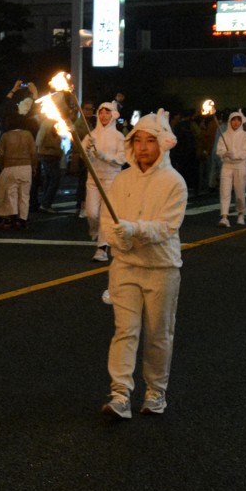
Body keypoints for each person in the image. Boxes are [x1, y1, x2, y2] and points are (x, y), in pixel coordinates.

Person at [99, 110, 187, 420]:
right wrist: (119, 239)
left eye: (150, 141)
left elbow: (167, 226)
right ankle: (120, 393)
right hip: (125, 267)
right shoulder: (122, 180)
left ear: (162, 144)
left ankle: (155, 392)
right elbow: (109, 220)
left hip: (162, 269)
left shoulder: (174, 182)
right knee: (125, 331)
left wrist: (134, 230)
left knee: (158, 333)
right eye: (138, 141)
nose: (144, 147)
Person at [83, 102, 126, 261]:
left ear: (113, 115)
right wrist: (87, 151)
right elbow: (83, 156)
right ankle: (95, 231)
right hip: (93, 179)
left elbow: (122, 159)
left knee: (105, 215)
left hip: (111, 179)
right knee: (91, 213)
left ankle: (101, 249)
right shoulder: (90, 135)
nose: (103, 116)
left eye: (107, 113)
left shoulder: (119, 136)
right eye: (101, 113)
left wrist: (105, 157)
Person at [0, 114, 36, 230]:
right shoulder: (28, 134)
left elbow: (1, 154)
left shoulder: (6, 136)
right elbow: (33, 152)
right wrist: (34, 166)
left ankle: (13, 219)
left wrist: (2, 166)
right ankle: (23, 220)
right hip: (26, 167)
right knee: (24, 195)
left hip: (10, 166)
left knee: (11, 194)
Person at [217, 110, 246, 227]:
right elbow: (219, 150)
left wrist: (235, 155)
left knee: (239, 192)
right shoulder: (224, 135)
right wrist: (225, 153)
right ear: (230, 121)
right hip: (227, 166)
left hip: (240, 166)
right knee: (224, 191)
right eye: (234, 120)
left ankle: (241, 213)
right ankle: (224, 217)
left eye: (238, 120)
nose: (236, 123)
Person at [33, 115, 64, 213]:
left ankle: (44, 202)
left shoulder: (49, 122)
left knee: (49, 179)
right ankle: (46, 204)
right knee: (55, 178)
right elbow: (39, 140)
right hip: (49, 154)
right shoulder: (48, 123)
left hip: (48, 154)